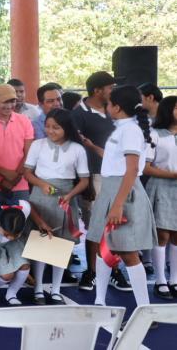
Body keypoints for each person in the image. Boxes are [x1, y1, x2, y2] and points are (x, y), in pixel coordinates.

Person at [86, 85, 158, 308]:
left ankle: (143, 307)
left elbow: (131, 169)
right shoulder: (123, 128)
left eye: (108, 103)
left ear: (116, 107)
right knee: (104, 246)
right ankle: (99, 301)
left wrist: (117, 205)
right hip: (111, 189)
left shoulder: (130, 130)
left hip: (122, 194)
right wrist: (92, 146)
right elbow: (115, 161)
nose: (106, 107)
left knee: (128, 252)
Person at [23, 109, 90, 304]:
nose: (50, 131)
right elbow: (27, 172)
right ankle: (38, 289)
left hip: (66, 197)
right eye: (48, 126)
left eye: (56, 128)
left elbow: (84, 180)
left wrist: (69, 195)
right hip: (41, 195)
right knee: (41, 242)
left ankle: (56, 289)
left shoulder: (77, 149)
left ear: (66, 129)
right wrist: (42, 184)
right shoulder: (38, 145)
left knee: (61, 245)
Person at [70, 71, 129, 291]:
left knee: (114, 225)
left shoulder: (116, 111)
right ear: (97, 90)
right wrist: (84, 183)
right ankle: (92, 271)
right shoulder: (79, 114)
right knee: (95, 226)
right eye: (110, 87)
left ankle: (113, 270)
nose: (113, 91)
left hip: (117, 177)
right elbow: (77, 149)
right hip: (93, 176)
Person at [0, 202, 53, 307]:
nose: (10, 237)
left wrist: (40, 222)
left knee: (25, 265)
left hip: (8, 244)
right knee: (8, 274)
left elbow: (29, 206)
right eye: (6, 234)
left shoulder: (23, 209)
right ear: (0, 224)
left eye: (16, 234)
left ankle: (11, 294)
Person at [0, 84, 34, 210]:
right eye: (5, 102)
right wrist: (5, 173)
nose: (9, 106)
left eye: (12, 101)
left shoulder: (24, 121)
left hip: (20, 184)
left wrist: (14, 179)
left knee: (20, 225)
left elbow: (30, 154)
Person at [143, 95, 177, 299]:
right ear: (167, 110)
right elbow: (146, 168)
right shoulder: (154, 134)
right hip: (162, 185)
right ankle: (160, 280)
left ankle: (174, 279)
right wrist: (172, 175)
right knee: (162, 234)